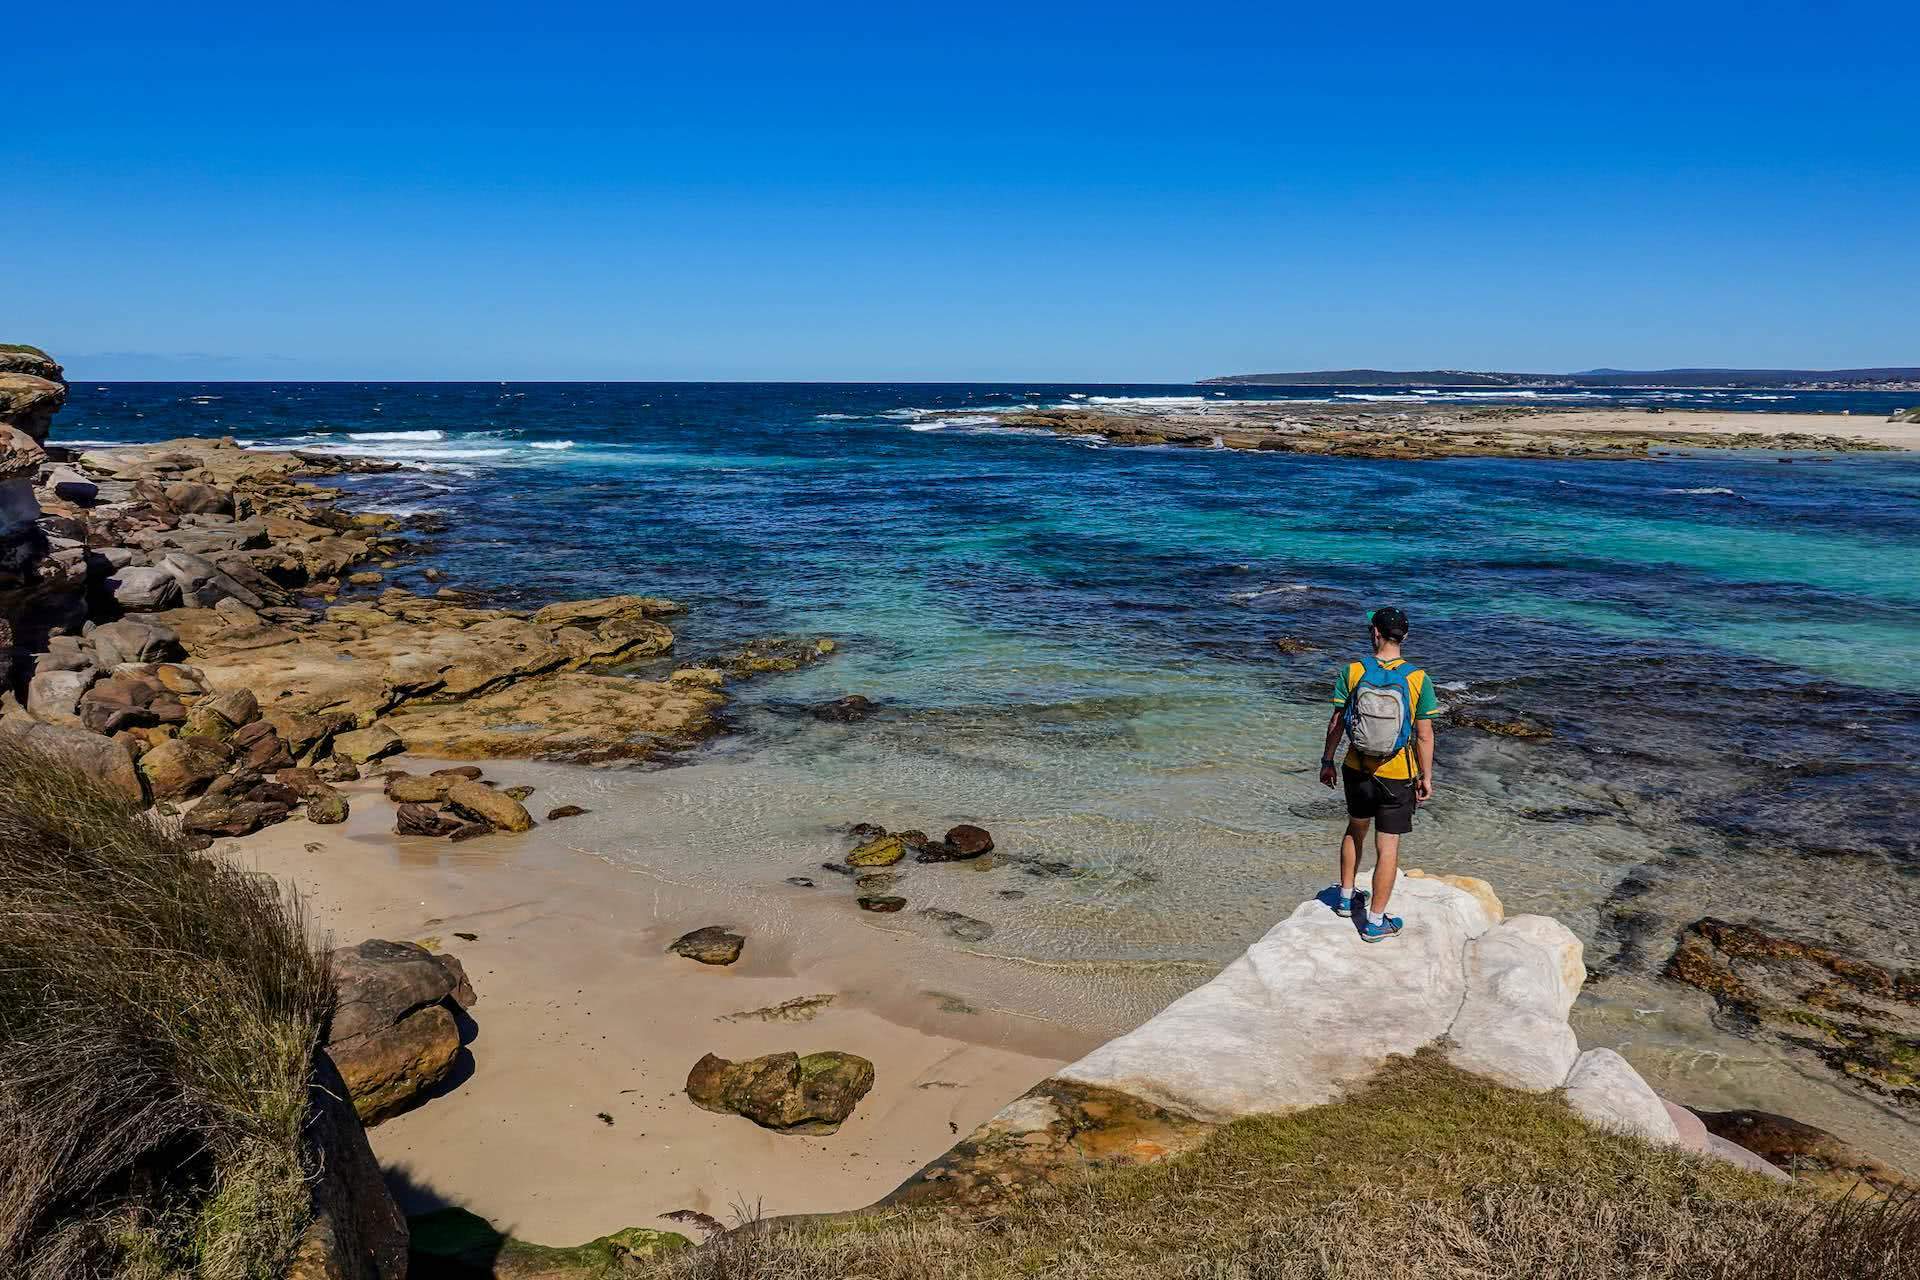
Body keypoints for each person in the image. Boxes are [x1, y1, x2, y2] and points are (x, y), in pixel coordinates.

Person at [1318, 607, 1437, 942]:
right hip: (1397, 774)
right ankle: (1374, 921)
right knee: (1388, 847)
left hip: (1356, 767)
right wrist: (1426, 777)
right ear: (1405, 636)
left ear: (1375, 633)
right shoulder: (1418, 678)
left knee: (1355, 827)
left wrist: (1327, 760)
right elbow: (1424, 735)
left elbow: (1337, 723)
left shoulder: (1353, 671)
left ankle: (1344, 899)